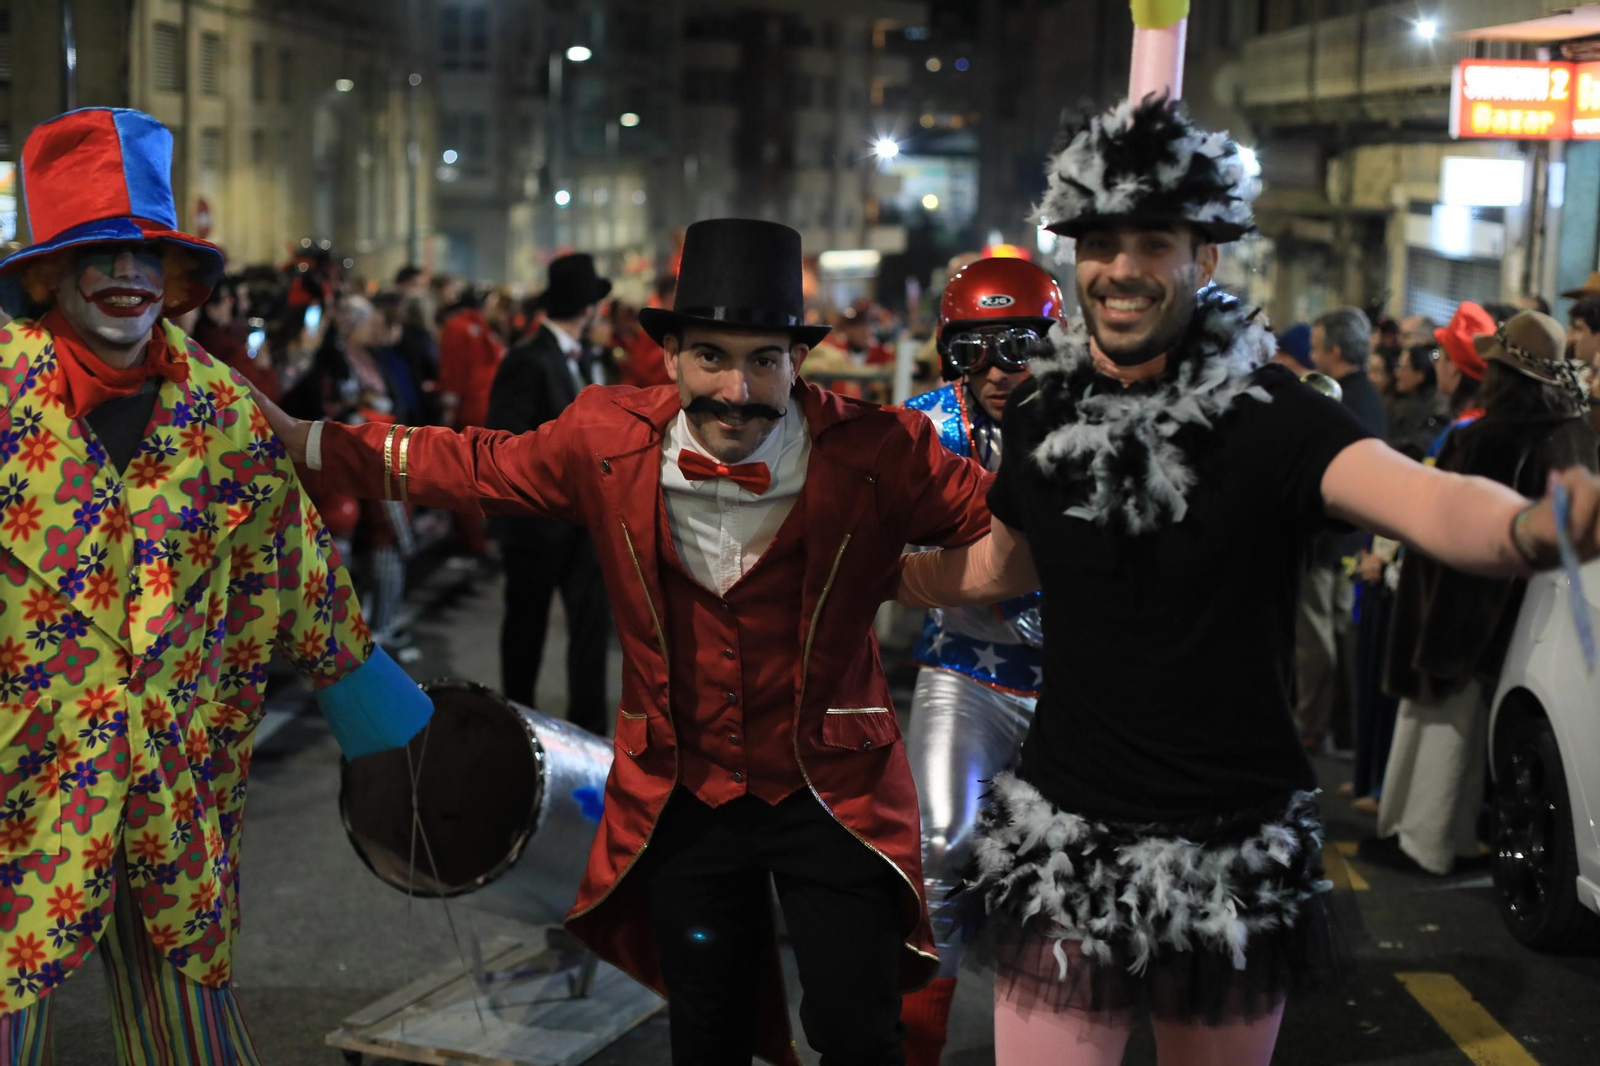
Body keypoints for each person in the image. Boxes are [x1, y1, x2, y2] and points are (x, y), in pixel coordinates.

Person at [895, 96, 1600, 1066]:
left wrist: (1529, 526)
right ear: (1075, 257)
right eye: (1101, 240)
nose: (1124, 267)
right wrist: (877, 576)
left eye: (1155, 239)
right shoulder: (1044, 416)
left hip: (1225, 849)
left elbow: (1425, 501)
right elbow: (994, 567)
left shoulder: (1272, 417)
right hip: (1065, 837)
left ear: (1206, 256)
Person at [250, 218, 995, 1066]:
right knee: (706, 1027)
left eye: (764, 360)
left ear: (798, 361)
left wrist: (916, 577)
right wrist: (302, 440)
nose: (739, 390)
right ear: (671, 356)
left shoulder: (877, 451)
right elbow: (467, 463)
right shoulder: (605, 438)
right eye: (712, 356)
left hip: (833, 790)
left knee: (856, 1030)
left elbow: (1007, 531)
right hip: (683, 791)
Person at [0, 107, 429, 1063]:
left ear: (177, 277)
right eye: (99, 255)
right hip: (20, 784)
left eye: (147, 255)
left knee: (191, 1035)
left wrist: (387, 725)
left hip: (172, 782)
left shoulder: (223, 407)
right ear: (48, 274)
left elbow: (300, 560)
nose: (127, 277)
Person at [897, 257, 1064, 1066]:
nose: (999, 370)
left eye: (1020, 346)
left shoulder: (1100, 422)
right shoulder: (919, 428)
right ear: (947, 351)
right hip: (966, 665)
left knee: (1067, 878)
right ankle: (916, 1046)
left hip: (1081, 686)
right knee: (939, 845)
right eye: (975, 351)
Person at [1366, 312, 1600, 875]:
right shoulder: (1573, 434)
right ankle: (1452, 840)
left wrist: (1443, 630)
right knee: (1471, 735)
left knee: (1440, 727)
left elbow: (1456, 539)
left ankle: (1424, 844)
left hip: (1462, 606)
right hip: (1544, 612)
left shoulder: (1486, 440)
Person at [485, 254, 614, 731]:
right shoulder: (527, 359)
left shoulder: (592, 357)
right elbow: (507, 439)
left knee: (589, 634)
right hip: (536, 525)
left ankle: (591, 737)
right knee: (526, 631)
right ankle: (516, 731)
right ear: (588, 307)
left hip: (585, 523)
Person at [1296, 308, 1388, 752]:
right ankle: (1338, 724)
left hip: (1327, 537)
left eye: (1315, 346)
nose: (1311, 355)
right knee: (1333, 632)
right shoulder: (1369, 395)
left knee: (1316, 639)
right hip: (1351, 536)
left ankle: (1312, 724)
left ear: (1334, 350)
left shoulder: (1335, 399)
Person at [1427, 303, 1492, 461]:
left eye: (1438, 357)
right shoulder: (1488, 425)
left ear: (1454, 367)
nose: (1435, 364)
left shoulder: (1460, 436)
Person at [1387, 344, 1450, 460]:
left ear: (1419, 375)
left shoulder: (1437, 408)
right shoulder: (1395, 398)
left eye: (1403, 368)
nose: (1397, 373)